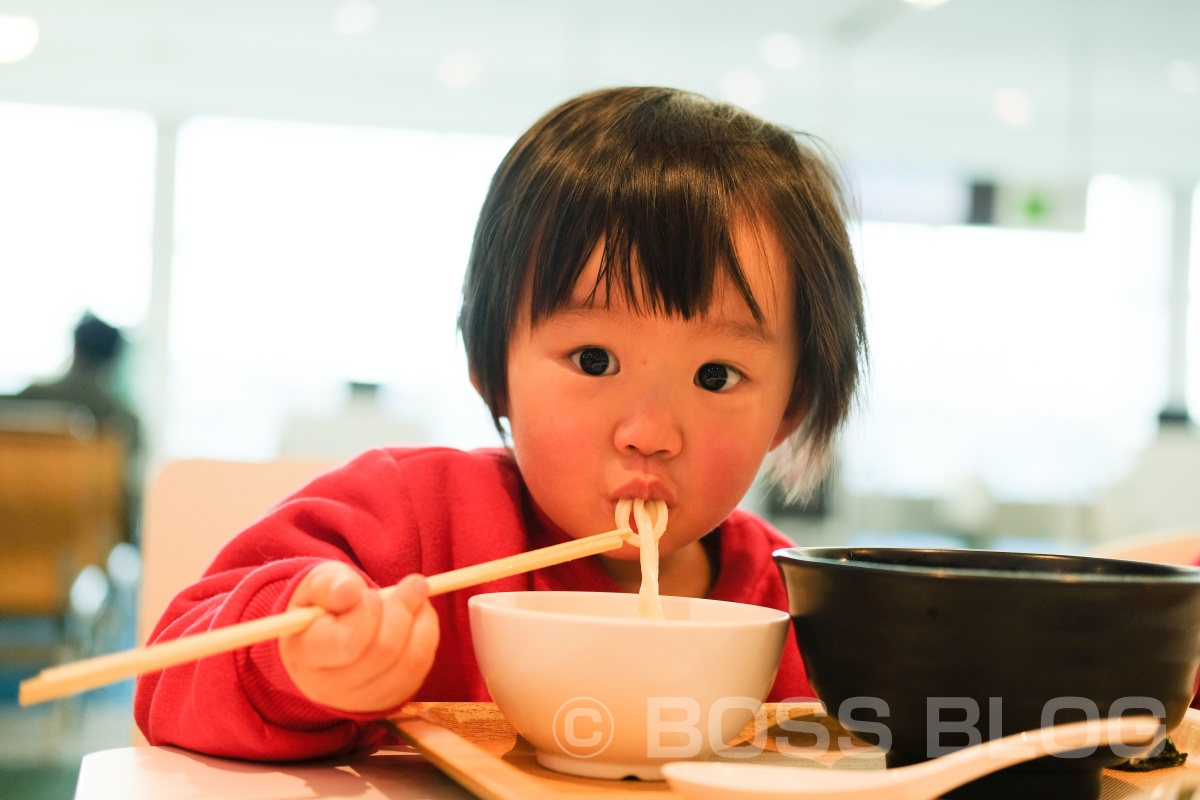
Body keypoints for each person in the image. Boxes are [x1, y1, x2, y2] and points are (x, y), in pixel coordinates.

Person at [135, 86, 868, 761]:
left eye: (717, 376)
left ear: (790, 408)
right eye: (592, 358)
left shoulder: (797, 610)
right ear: (493, 365)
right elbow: (170, 669)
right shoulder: (412, 524)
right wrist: (301, 657)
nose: (649, 431)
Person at [14, 312, 143, 539]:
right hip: (88, 544)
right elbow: (124, 501)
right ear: (114, 359)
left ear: (75, 349)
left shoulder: (28, 397)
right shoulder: (124, 421)